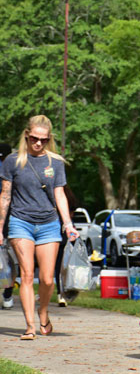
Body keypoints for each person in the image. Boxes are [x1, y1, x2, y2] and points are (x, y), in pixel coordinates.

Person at [0, 115, 79, 340]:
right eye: (34, 138)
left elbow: (59, 193)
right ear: (26, 135)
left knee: (46, 279)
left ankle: (43, 312)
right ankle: (30, 326)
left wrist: (68, 224)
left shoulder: (55, 162)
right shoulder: (13, 161)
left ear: (48, 139)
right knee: (26, 275)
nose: (38, 143)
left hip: (48, 224)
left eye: (43, 140)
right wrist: (0, 227)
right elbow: (5, 195)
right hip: (20, 222)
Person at [0, 143, 17, 310]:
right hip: (13, 220)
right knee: (11, 261)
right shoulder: (12, 167)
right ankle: (8, 294)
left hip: (5, 220)